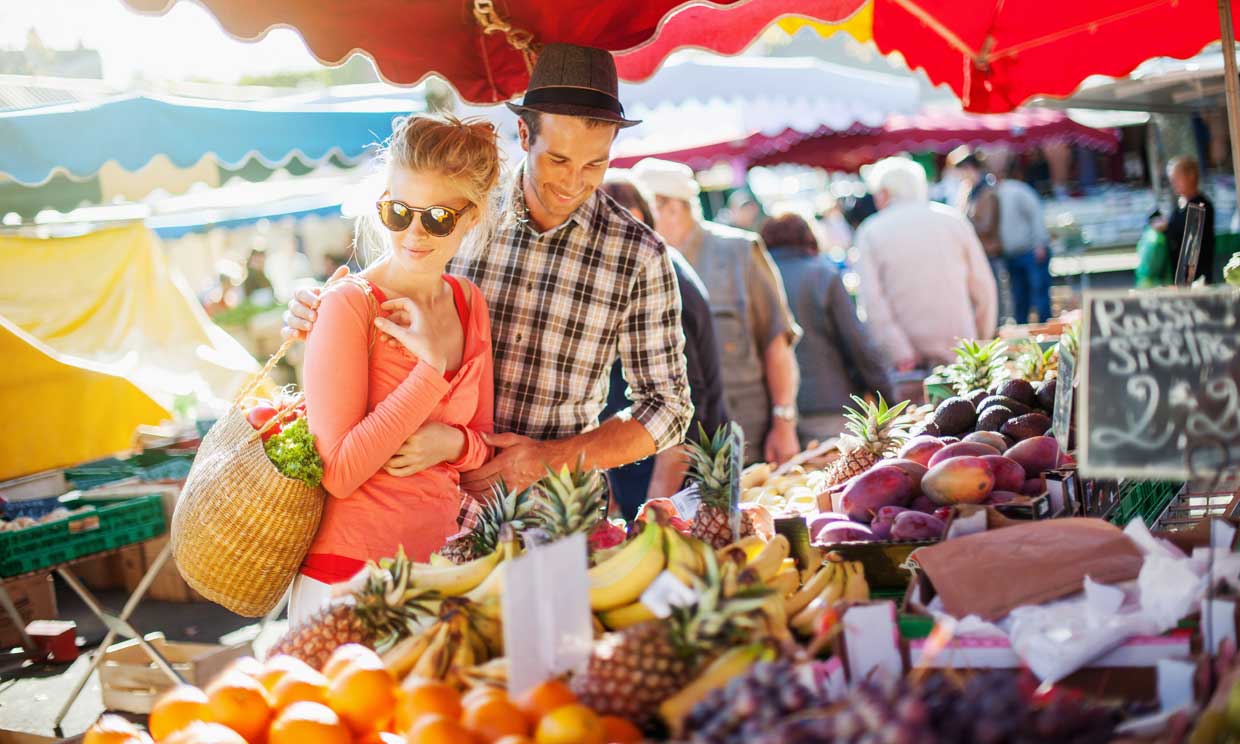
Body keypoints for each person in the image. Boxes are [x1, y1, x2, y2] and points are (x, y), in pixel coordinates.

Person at [284, 44, 692, 497]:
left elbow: (668, 409)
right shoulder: (457, 209)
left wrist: (548, 458)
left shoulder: (639, 254)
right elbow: (373, 293)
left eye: (594, 164)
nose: (574, 181)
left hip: (553, 510)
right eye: (558, 160)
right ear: (523, 132)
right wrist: (315, 311)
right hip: (434, 502)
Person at [291, 114, 500, 624]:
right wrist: (428, 375)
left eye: (437, 219)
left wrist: (453, 445)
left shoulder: (469, 301)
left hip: (443, 575)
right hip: (352, 586)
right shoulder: (349, 304)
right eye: (398, 211)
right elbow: (338, 473)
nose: (413, 233)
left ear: (471, 217)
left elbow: (483, 443)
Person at [633, 157, 802, 465]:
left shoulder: (739, 250)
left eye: (644, 209)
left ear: (672, 207)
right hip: (672, 452)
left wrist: (784, 422)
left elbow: (777, 342)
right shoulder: (641, 265)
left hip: (748, 437)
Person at [599, 174, 728, 516]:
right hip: (644, 479)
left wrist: (654, 509)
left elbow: (686, 405)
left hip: (680, 488)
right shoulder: (640, 271)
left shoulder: (663, 280)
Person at [853, 157, 998, 370]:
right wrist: (978, 339)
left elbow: (872, 302)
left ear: (884, 193)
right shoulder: (953, 220)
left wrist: (900, 352)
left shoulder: (870, 232)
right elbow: (984, 288)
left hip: (909, 362)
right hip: (961, 350)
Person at [762, 213, 894, 444]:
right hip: (830, 408)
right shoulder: (823, 274)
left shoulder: (757, 281)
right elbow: (857, 343)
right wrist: (886, 394)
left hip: (774, 416)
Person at [950, 150, 1010, 323]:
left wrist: (963, 226)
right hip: (979, 253)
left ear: (969, 168)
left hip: (989, 254)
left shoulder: (986, 191)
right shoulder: (970, 191)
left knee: (993, 301)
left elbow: (986, 226)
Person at [996, 166, 1052, 323]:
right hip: (1012, 254)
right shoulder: (992, 194)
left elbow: (1036, 215)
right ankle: (1023, 334)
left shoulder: (1018, 190)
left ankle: (1046, 330)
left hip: (1031, 251)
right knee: (1019, 299)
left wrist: (1040, 243)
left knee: (1039, 296)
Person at [1158, 155, 1217, 284]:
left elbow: (1192, 253)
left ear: (1191, 176)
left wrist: (1183, 283)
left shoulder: (1200, 206)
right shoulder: (1180, 204)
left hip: (1196, 281)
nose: (1173, 183)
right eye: (1172, 179)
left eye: (1177, 178)